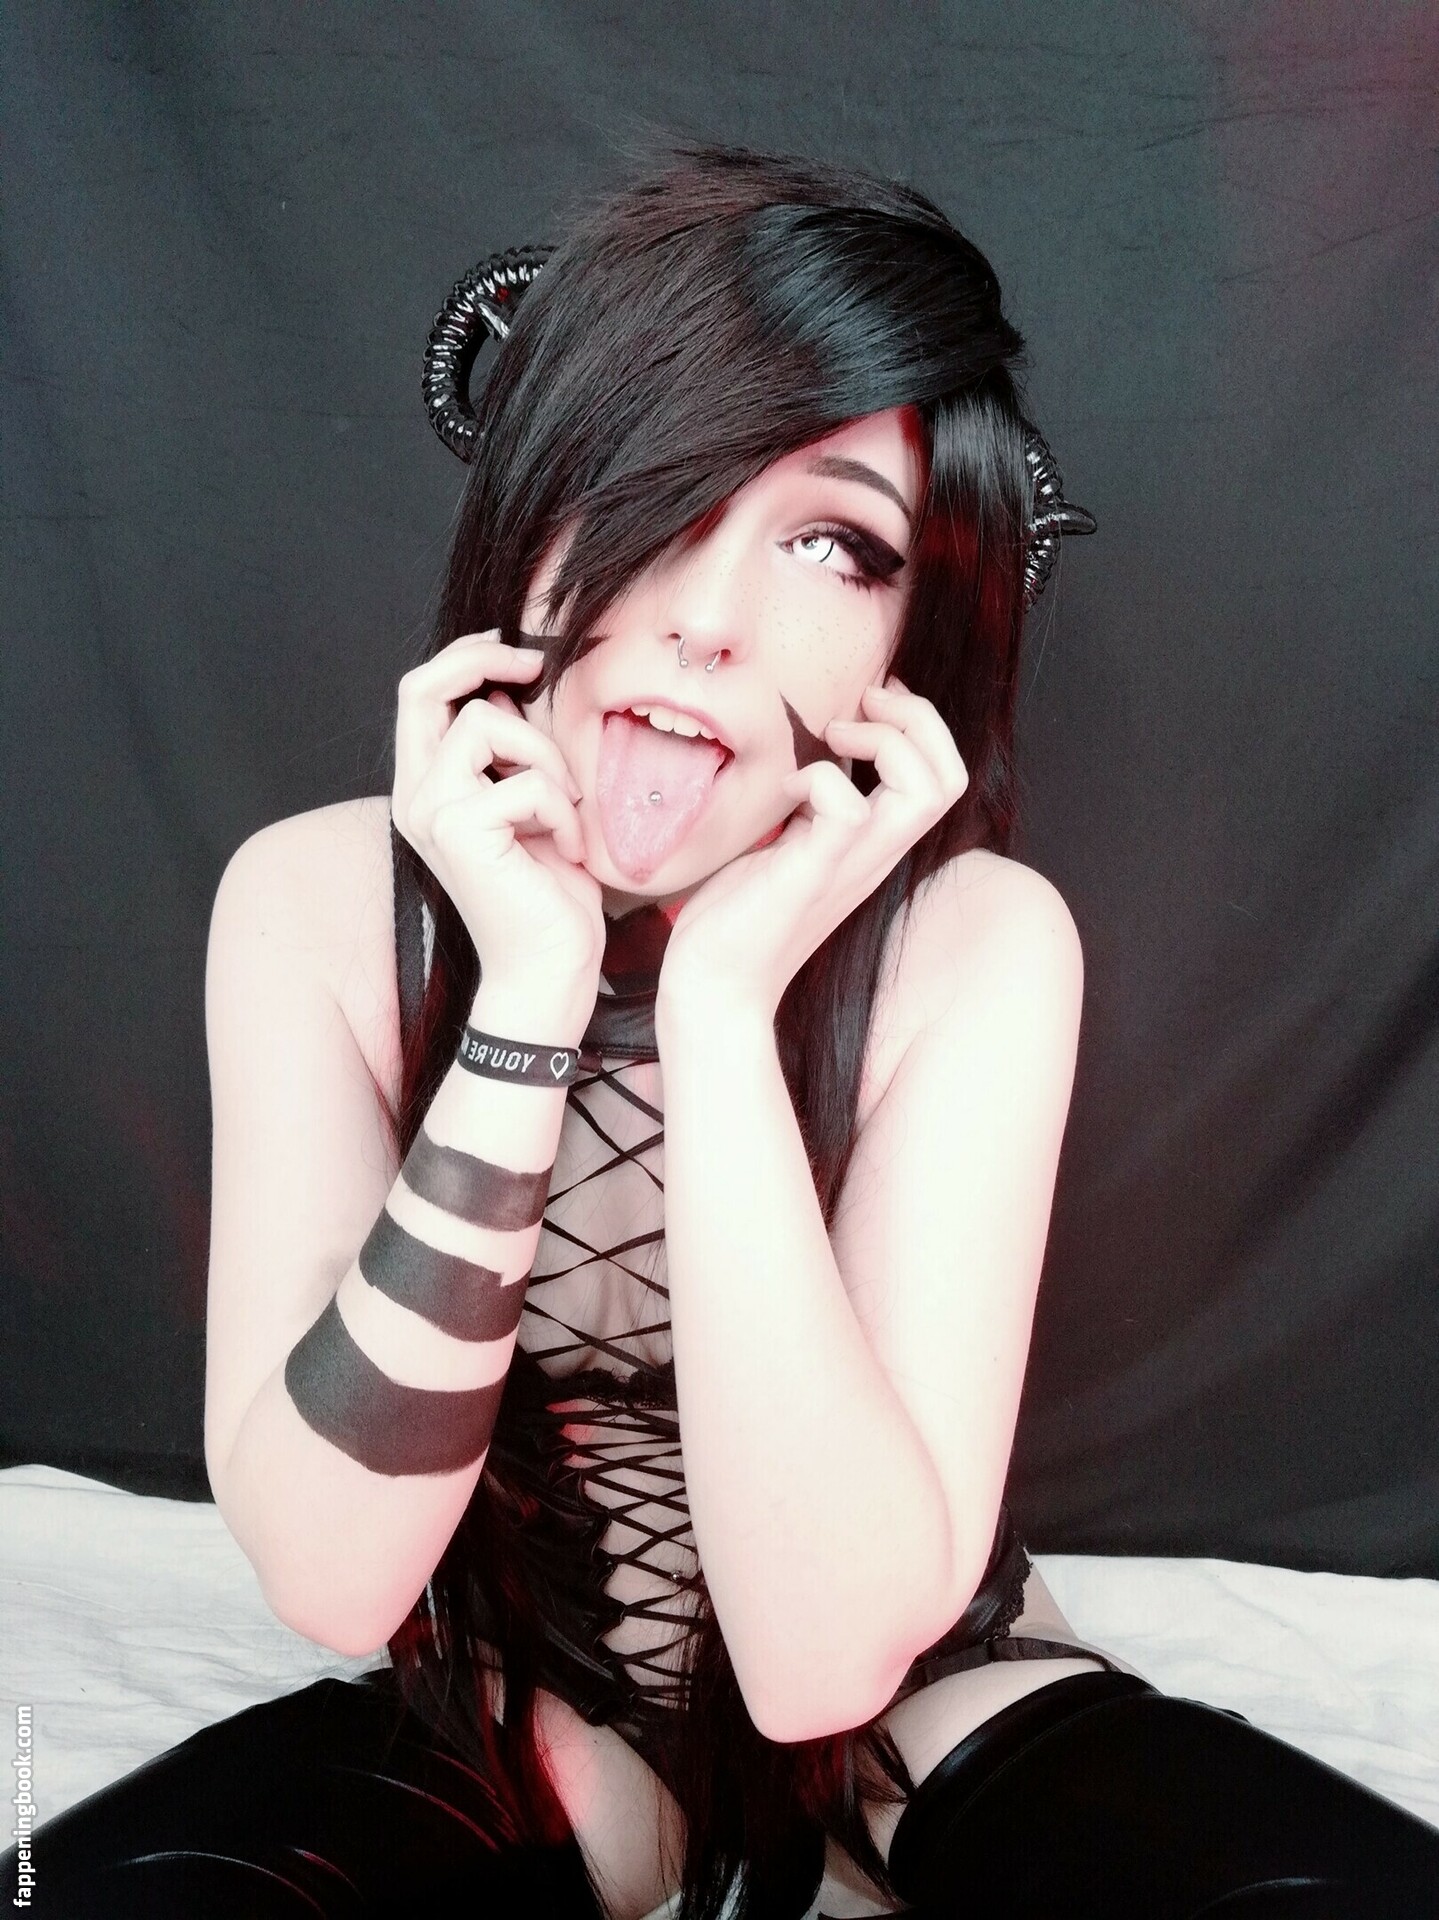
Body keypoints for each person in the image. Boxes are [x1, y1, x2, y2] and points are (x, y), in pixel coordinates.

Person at [6, 144, 1437, 1920]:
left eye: (832, 544)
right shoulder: (317, 906)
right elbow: (331, 1578)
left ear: (912, 637)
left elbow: (831, 1662)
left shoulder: (975, 947)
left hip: (917, 1699)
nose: (705, 616)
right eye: (654, 489)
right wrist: (528, 1000)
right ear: (531, 517)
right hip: (518, 1710)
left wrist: (722, 1005)